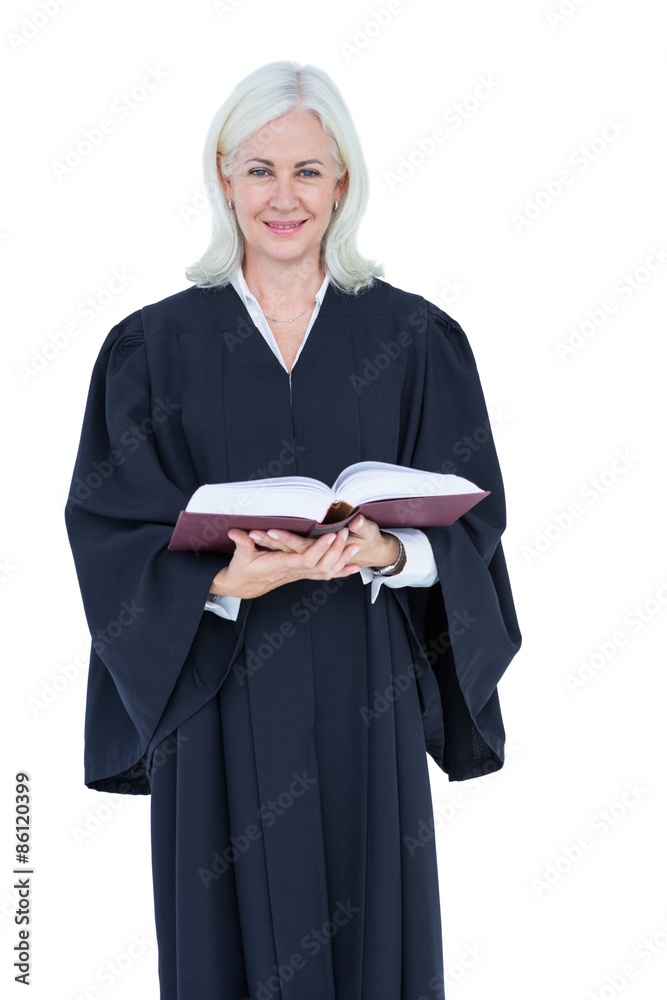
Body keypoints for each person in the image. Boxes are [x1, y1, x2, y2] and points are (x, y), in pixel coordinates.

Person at [65, 60, 521, 1000]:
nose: (284, 197)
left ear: (342, 181)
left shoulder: (412, 339)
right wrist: (223, 582)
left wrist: (391, 552)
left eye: (308, 171)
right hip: (216, 694)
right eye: (259, 169)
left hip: (364, 689)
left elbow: (475, 520)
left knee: (371, 937)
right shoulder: (152, 348)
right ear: (223, 177)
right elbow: (108, 527)